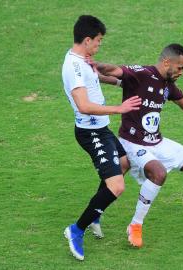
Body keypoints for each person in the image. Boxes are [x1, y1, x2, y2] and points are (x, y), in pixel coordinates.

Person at [92, 43, 183, 248]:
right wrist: (93, 65)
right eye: (180, 67)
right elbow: (114, 71)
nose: (182, 72)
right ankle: (134, 225)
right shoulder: (141, 74)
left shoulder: (167, 84)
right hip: (132, 142)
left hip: (156, 141)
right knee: (157, 173)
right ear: (167, 62)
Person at [61, 15, 141, 260]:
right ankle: (76, 229)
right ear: (87, 40)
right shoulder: (73, 67)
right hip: (91, 132)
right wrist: (120, 108)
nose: (99, 45)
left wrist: (120, 82)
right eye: (98, 41)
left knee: (124, 162)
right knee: (116, 186)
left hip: (101, 129)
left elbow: (94, 79)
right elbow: (84, 105)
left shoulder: (83, 61)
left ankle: (95, 213)